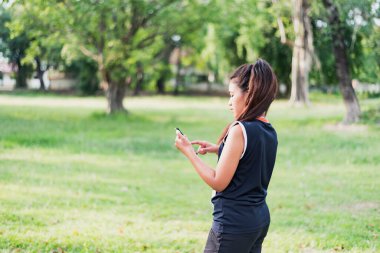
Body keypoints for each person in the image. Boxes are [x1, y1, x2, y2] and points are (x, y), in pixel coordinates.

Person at [174, 58, 278, 253]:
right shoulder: (267, 129)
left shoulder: (240, 130)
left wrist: (189, 152)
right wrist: (219, 149)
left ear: (250, 94)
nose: (229, 103)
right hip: (259, 219)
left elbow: (218, 181)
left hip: (233, 225)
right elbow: (250, 160)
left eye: (232, 95)